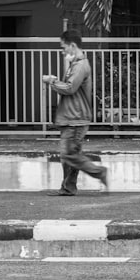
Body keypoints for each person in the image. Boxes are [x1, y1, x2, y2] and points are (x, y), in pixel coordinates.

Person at [42, 29, 108, 196]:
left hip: (76, 118)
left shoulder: (80, 66)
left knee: (68, 155)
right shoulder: (76, 63)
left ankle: (98, 172)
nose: (63, 51)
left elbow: (70, 88)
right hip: (72, 117)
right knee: (69, 155)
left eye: (64, 47)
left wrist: (52, 81)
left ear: (72, 45)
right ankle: (68, 187)